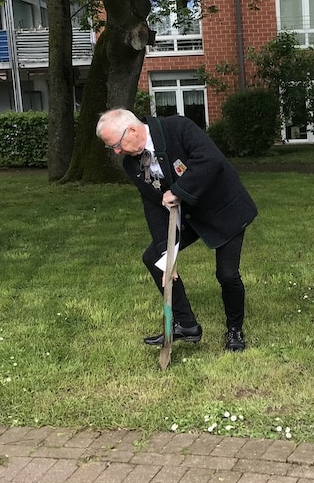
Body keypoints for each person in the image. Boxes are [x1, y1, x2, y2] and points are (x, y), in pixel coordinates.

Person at [96, 108, 258, 351]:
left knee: (227, 274)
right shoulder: (132, 163)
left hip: (224, 209)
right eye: (112, 148)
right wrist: (167, 254)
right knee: (154, 259)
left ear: (132, 130)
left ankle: (235, 330)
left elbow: (210, 159)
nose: (117, 151)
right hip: (189, 217)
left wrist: (179, 191)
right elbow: (152, 204)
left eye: (116, 145)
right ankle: (186, 324)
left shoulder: (177, 128)